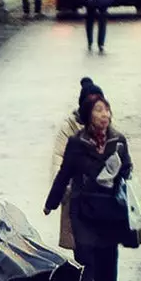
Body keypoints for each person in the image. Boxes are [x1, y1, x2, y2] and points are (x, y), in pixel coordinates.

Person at [44, 92, 132, 281]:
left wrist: (119, 174)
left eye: (107, 110)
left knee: (107, 255)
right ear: (88, 115)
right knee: (85, 255)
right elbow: (64, 174)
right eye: (99, 110)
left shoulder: (119, 141)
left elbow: (128, 170)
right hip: (83, 208)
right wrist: (51, 203)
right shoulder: (76, 143)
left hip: (110, 208)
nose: (105, 115)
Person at [51, 77, 114, 254]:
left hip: (103, 201)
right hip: (78, 200)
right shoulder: (70, 128)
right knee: (82, 251)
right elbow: (59, 160)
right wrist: (62, 193)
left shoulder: (108, 129)